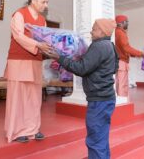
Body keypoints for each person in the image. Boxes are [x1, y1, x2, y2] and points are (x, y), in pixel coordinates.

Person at [44, 19, 118, 158]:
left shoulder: (99, 46)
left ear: (102, 32)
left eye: (94, 29)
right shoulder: (110, 45)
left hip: (99, 100)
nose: (91, 31)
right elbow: (114, 68)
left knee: (95, 140)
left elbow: (81, 69)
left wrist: (59, 58)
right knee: (101, 137)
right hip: (106, 98)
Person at [4, 0, 51, 143]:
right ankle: (17, 131)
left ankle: (33, 129)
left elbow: (45, 40)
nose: (46, 5)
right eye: (43, 1)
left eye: (47, 2)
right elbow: (18, 35)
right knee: (18, 97)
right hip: (18, 60)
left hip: (35, 61)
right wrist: (38, 44)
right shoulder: (19, 14)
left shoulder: (43, 20)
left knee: (34, 97)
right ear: (33, 0)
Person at [115, 15, 144, 100]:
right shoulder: (120, 33)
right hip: (121, 62)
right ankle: (122, 102)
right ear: (121, 23)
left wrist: (135, 55)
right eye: (127, 22)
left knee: (120, 83)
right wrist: (142, 54)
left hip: (119, 61)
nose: (128, 24)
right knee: (122, 84)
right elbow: (126, 48)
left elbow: (124, 49)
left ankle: (120, 100)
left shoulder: (117, 32)